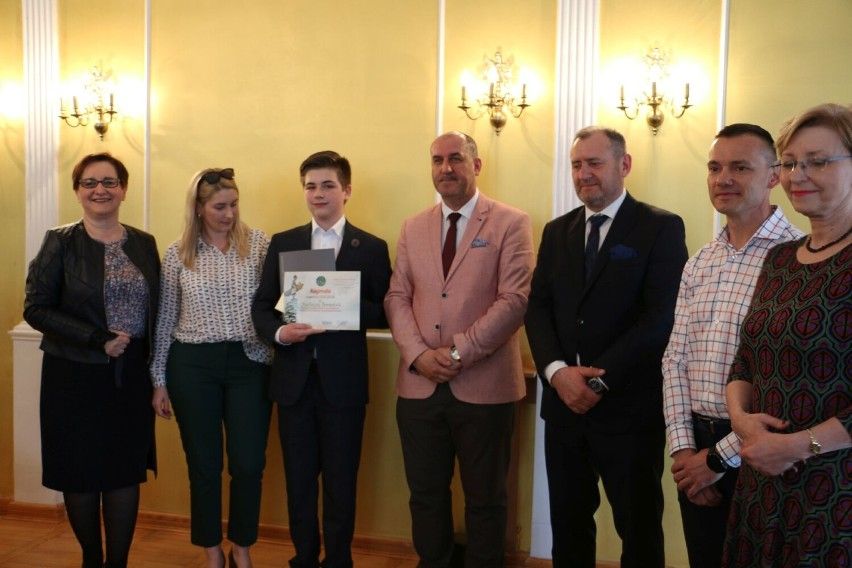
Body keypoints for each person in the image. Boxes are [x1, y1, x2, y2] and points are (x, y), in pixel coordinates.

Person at [525, 126, 687, 568]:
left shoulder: (659, 227)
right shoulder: (557, 231)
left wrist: (597, 382)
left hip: (628, 411)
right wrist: (557, 373)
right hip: (563, 408)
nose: (584, 174)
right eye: (576, 165)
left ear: (624, 164)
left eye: (594, 163)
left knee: (638, 530)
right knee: (568, 527)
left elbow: (661, 317)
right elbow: (537, 308)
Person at [384, 131, 533, 567]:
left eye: (455, 159)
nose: (445, 168)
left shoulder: (511, 222)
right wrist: (418, 355)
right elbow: (397, 296)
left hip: (486, 389)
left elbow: (515, 300)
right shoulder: (413, 226)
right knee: (425, 494)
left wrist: (456, 354)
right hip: (419, 387)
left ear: (476, 165)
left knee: (486, 498)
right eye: (437, 160)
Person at [662, 124, 803, 568]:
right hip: (695, 443)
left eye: (740, 167)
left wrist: (717, 460)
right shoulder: (700, 261)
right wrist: (685, 452)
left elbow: (783, 376)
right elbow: (675, 360)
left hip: (760, 446)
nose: (723, 178)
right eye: (714, 167)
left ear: (774, 175)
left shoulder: (797, 256)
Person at [722, 103, 851, 566]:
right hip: (763, 482)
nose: (799, 175)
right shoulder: (780, 259)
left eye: (818, 161)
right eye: (791, 163)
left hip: (835, 491)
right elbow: (746, 358)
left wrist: (798, 446)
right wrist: (740, 419)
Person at [252, 151, 391, 568]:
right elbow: (263, 307)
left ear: (346, 191)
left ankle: (339, 560)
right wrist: (281, 333)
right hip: (294, 382)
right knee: (299, 482)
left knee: (341, 480)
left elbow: (386, 311)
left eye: (328, 185)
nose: (318, 193)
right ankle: (304, 558)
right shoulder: (284, 242)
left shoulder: (371, 247)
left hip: (343, 385)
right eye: (310, 186)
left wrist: (341, 304)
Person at [24, 153, 159, 568]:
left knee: (124, 471)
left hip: (130, 377)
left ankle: (117, 563)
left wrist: (158, 375)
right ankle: (91, 559)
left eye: (110, 182)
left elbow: (158, 309)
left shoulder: (144, 243)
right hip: (73, 374)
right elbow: (36, 308)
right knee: (79, 472)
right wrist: (98, 340)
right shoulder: (60, 241)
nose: (100, 190)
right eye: (89, 183)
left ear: (124, 189)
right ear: (77, 191)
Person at [150, 168, 272, 568]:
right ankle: (211, 550)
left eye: (234, 205)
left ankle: (242, 547)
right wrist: (159, 380)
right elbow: (166, 319)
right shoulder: (177, 253)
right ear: (199, 208)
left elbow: (280, 302)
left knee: (249, 463)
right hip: (192, 365)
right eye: (220, 207)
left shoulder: (259, 245)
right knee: (204, 465)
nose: (229, 214)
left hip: (250, 362)